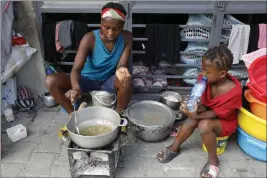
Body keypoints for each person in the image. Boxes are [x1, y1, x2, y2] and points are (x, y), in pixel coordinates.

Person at [157, 45, 242, 178]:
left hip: (225, 122)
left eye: (207, 72)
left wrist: (197, 114)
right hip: (209, 113)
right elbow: (202, 102)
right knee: (191, 119)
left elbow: (217, 113)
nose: (203, 74)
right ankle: (174, 147)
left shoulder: (233, 91)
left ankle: (214, 160)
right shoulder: (204, 80)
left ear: (222, 73)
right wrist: (192, 106)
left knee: (204, 125)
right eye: (202, 69)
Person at [45, 2, 133, 115]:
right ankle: (72, 114)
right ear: (101, 23)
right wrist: (76, 88)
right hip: (86, 80)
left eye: (117, 29)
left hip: (108, 81)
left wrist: (121, 69)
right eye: (106, 27)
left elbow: (122, 64)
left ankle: (119, 115)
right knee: (51, 80)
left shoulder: (127, 37)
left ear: (122, 26)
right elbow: (76, 69)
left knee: (127, 80)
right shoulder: (90, 39)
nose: (110, 33)